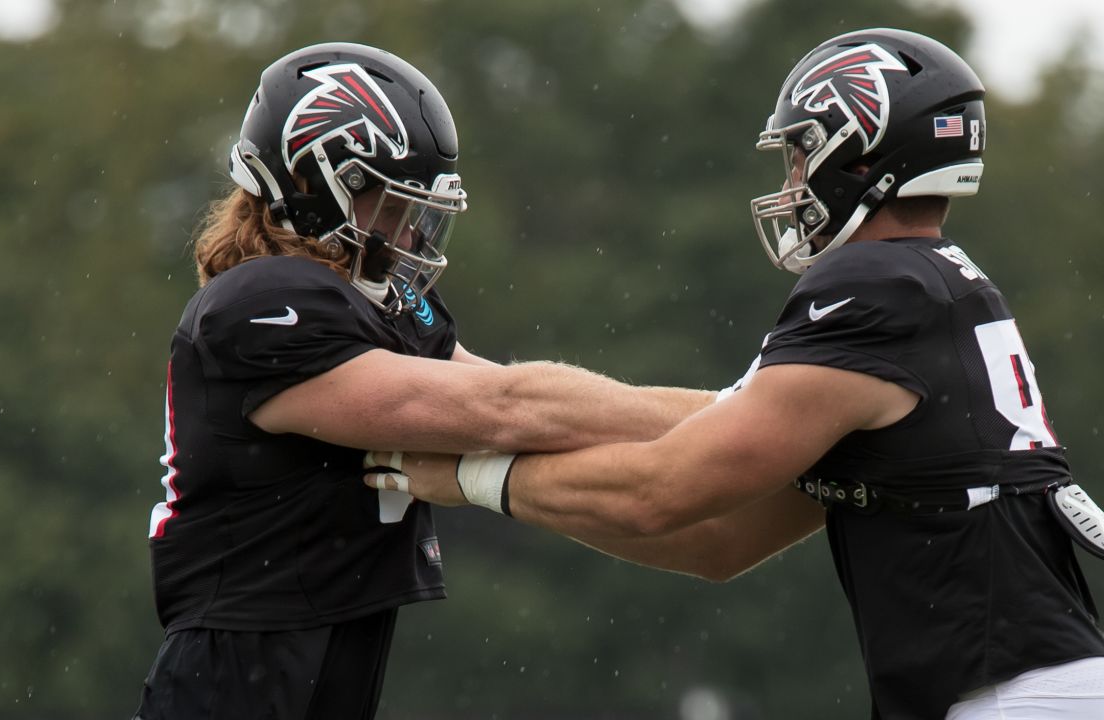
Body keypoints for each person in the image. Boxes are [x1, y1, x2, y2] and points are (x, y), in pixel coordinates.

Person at [367, 29, 1104, 719]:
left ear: (863, 152)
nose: (790, 183)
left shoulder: (873, 286)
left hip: (1017, 699)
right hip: (1028, 690)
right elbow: (719, 539)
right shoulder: (931, 288)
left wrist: (468, 475)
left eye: (801, 153)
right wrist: (485, 418)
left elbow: (662, 490)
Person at [132, 42, 715, 720]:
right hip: (234, 678)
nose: (410, 231)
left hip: (312, 669)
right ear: (322, 187)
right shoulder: (263, 297)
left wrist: (748, 420)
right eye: (390, 206)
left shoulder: (376, 305)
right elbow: (508, 408)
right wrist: (750, 418)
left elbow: (545, 414)